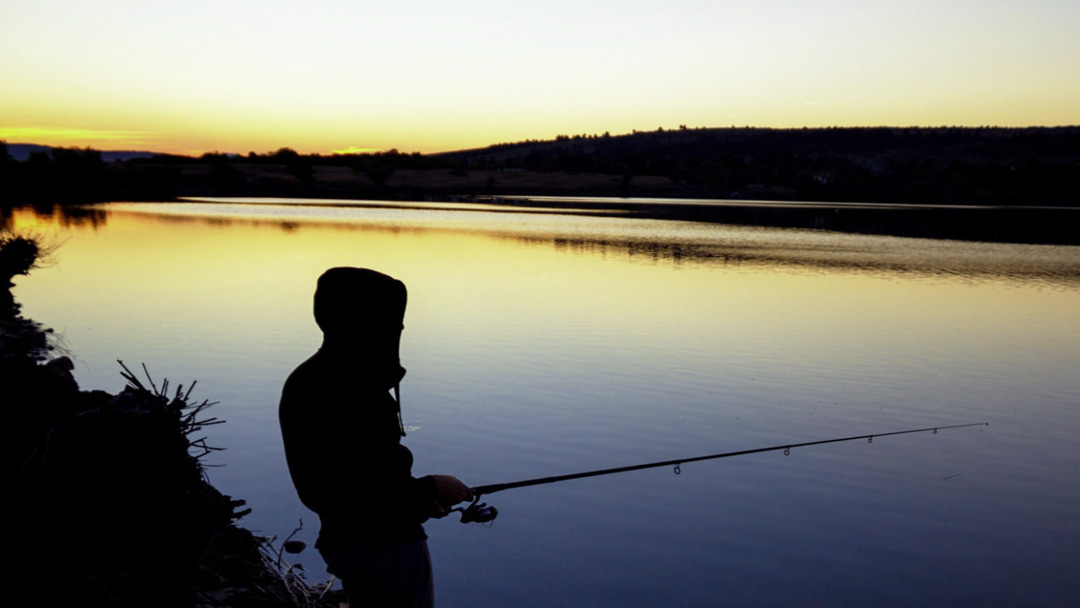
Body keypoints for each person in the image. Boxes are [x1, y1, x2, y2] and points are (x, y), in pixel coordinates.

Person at [279, 267, 472, 608]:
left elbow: (367, 481)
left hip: (364, 541)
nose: (397, 331)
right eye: (390, 323)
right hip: (380, 548)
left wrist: (422, 502)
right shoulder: (345, 389)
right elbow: (353, 491)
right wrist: (431, 489)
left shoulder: (320, 378)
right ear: (363, 322)